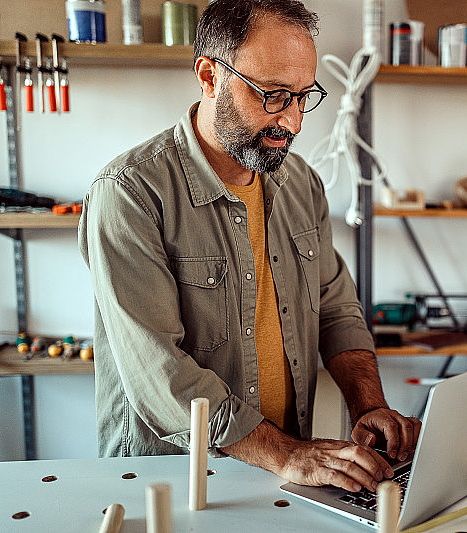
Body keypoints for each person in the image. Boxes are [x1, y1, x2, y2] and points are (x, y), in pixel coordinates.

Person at [78, 0, 420, 494]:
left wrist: (370, 405)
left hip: (285, 473)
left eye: (305, 96)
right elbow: (161, 376)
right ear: (210, 76)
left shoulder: (300, 183)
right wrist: (284, 453)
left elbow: (337, 310)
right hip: (169, 479)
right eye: (275, 95)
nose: (295, 122)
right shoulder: (129, 195)